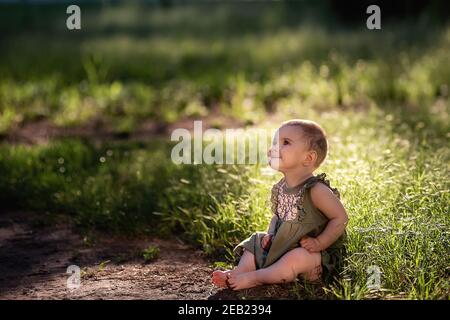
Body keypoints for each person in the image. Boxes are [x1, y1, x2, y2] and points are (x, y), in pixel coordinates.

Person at [211, 119, 348, 290]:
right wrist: (270, 234)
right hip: (283, 246)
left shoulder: (316, 190)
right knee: (256, 240)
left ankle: (257, 277)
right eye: (274, 142)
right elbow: (279, 216)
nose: (274, 148)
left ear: (308, 158)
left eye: (285, 143)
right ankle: (239, 272)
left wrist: (319, 243)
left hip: (312, 257)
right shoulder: (281, 187)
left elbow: (340, 218)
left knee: (296, 257)